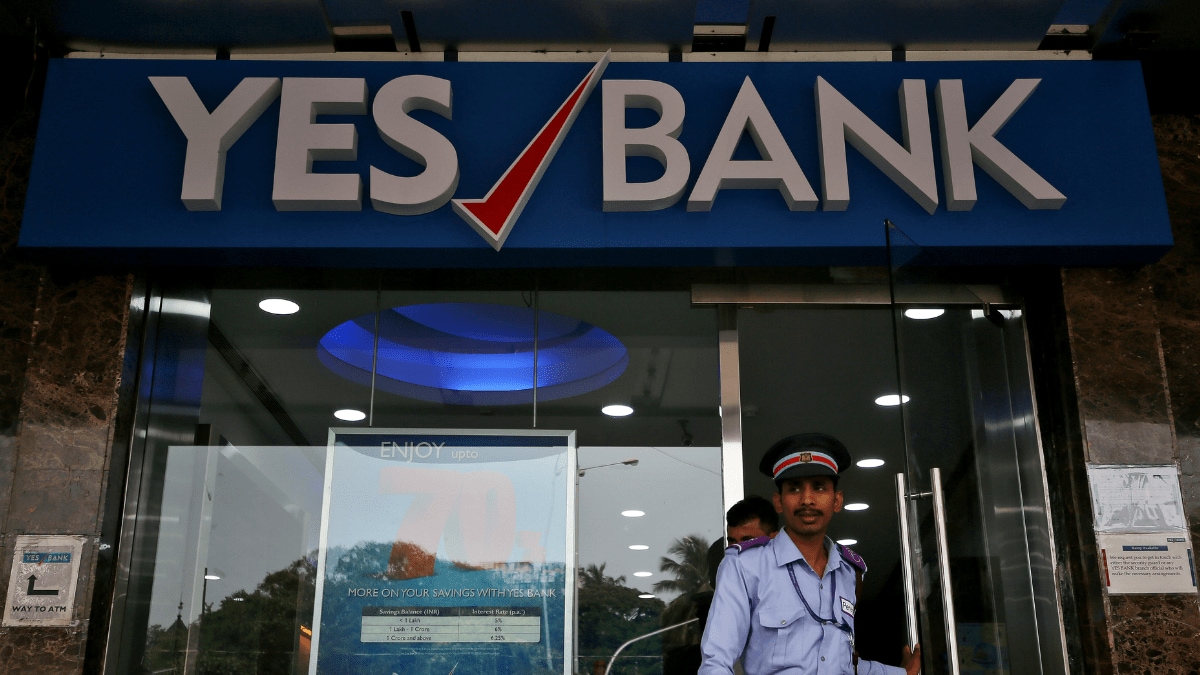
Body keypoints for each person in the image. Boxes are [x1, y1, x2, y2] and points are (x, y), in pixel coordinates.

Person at [699, 433, 921, 675]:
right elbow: (715, 663)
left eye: (819, 487)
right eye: (794, 488)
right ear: (778, 501)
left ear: (837, 500)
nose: (807, 499)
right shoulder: (745, 566)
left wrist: (902, 673)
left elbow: (845, 666)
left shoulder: (848, 572)